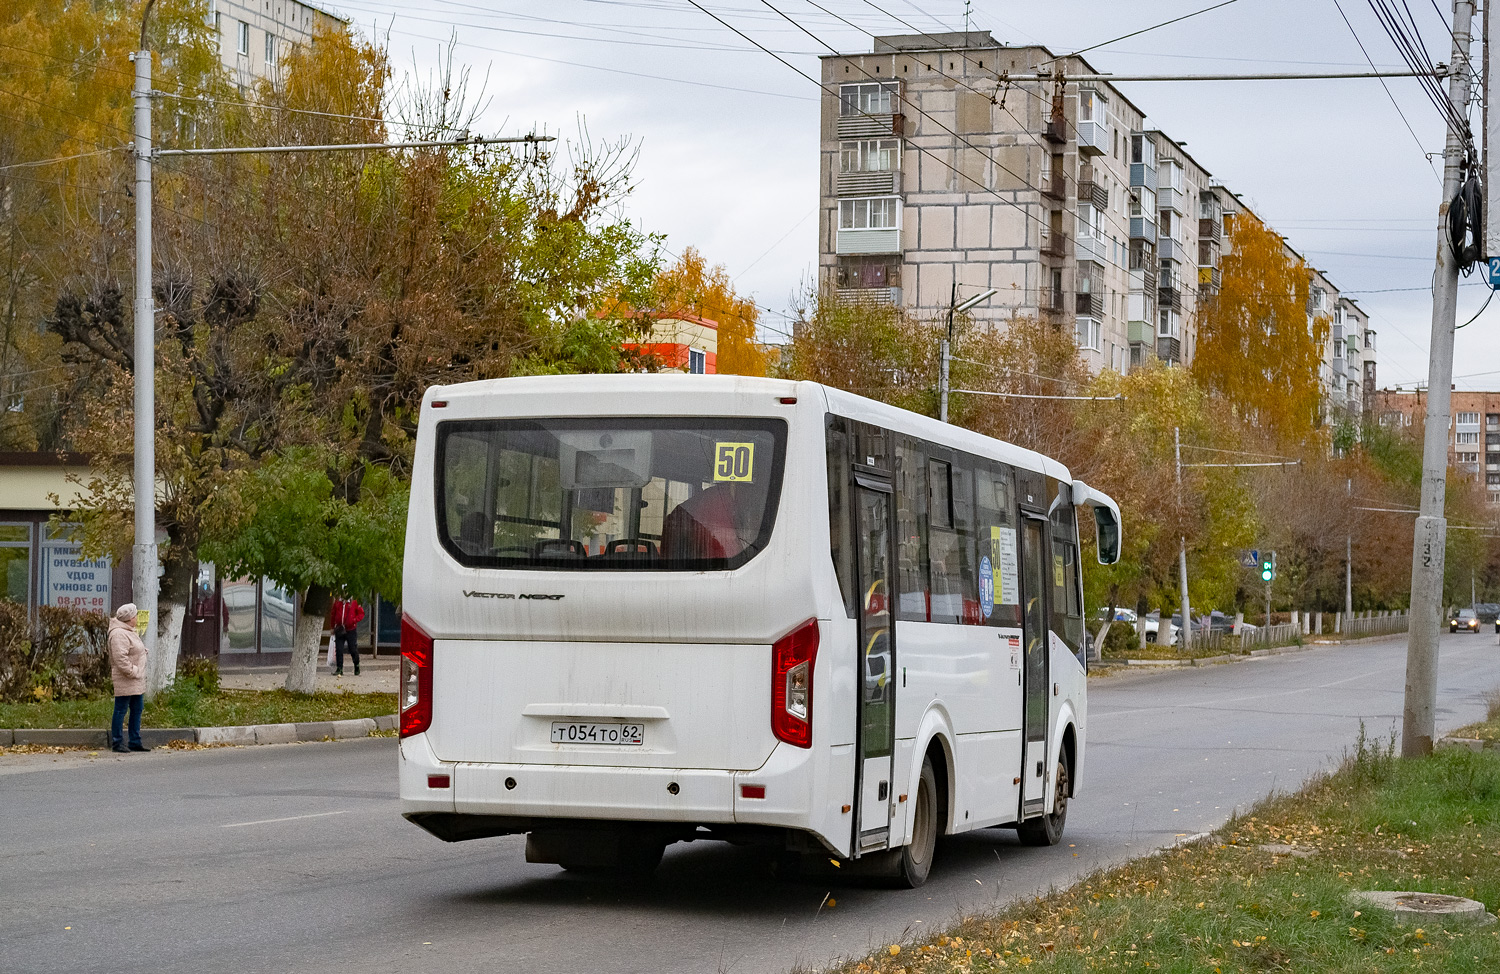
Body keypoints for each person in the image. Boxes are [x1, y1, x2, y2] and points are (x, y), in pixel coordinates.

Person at [106, 603, 150, 754]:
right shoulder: (119, 634)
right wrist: (134, 671)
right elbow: (120, 659)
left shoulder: (128, 631)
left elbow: (131, 650)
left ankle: (134, 741)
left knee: (137, 709)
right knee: (121, 710)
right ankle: (117, 742)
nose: (137, 618)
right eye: (135, 615)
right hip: (126, 678)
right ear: (130, 618)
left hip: (135, 679)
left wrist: (142, 653)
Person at [330, 594, 366, 677]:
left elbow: (361, 614)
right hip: (339, 628)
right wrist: (332, 626)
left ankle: (356, 664)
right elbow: (333, 614)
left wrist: (354, 620)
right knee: (339, 649)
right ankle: (339, 668)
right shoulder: (337, 602)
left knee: (352, 649)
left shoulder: (354, 602)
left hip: (351, 629)